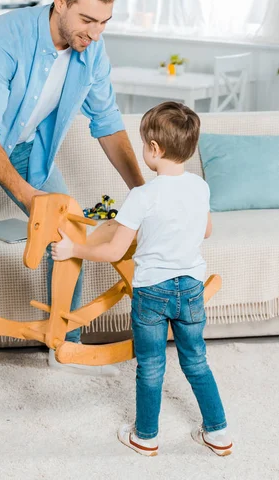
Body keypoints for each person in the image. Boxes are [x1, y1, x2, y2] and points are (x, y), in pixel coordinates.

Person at [0, 0, 145, 435]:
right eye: (87, 20)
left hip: (26, 149)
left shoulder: (92, 50)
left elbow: (107, 124)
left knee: (70, 233)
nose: (95, 32)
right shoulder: (1, 38)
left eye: (104, 22)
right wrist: (30, 200)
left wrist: (148, 194)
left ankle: (64, 342)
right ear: (60, 2)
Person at [52, 101, 233, 457]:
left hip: (152, 292)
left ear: (153, 149)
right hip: (192, 288)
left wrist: (74, 248)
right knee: (196, 361)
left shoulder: (141, 197)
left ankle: (146, 436)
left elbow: (112, 252)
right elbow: (207, 231)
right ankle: (219, 432)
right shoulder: (199, 187)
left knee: (150, 365)